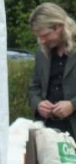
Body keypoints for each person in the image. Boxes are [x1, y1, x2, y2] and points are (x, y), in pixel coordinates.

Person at [28, 3, 76, 138]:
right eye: (38, 36)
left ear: (58, 27)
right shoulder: (41, 53)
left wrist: (72, 105)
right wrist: (38, 104)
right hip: (47, 131)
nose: (41, 41)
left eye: (45, 35)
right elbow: (34, 87)